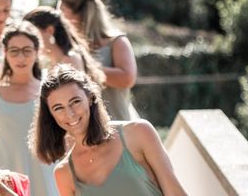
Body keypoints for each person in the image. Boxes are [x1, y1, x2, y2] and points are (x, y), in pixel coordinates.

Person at [31, 65, 187, 196]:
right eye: (58, 108)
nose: (70, 113)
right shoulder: (64, 174)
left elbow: (174, 192)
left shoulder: (138, 133)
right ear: (50, 115)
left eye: (75, 101)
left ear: (90, 98)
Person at [0, 22, 58, 195]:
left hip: (44, 173)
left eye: (27, 50)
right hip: (4, 175)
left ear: (37, 52)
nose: (20, 58)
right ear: (5, 53)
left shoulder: (50, 91)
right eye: (14, 51)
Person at [58, 0, 138, 120]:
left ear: (80, 15)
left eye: (62, 12)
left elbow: (127, 79)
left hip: (117, 123)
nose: (60, 19)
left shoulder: (117, 42)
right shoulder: (69, 47)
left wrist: (83, 67)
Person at [23, 6, 105, 86]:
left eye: (33, 34)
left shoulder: (71, 60)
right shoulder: (53, 63)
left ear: (50, 30)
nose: (29, 40)